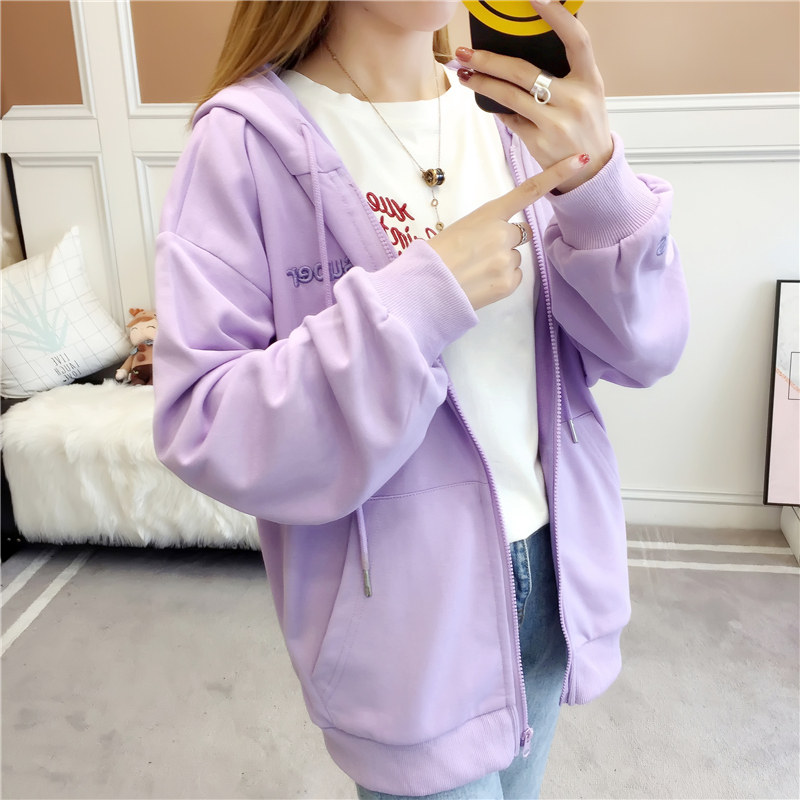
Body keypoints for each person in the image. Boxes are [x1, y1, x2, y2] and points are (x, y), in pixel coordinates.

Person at [152, 1, 689, 797]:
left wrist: (600, 189)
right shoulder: (243, 142)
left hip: (556, 577)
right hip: (404, 627)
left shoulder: (513, 116)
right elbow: (205, 423)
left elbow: (646, 351)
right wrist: (422, 297)